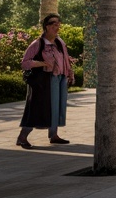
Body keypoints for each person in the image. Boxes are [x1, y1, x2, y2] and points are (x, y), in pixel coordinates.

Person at [17, 13, 74, 149]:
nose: (57, 26)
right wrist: (42, 63)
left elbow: (66, 59)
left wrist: (70, 73)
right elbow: (25, 63)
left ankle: (53, 135)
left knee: (57, 107)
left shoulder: (60, 43)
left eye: (58, 23)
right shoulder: (37, 44)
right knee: (38, 108)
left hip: (60, 78)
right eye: (53, 23)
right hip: (44, 81)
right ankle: (22, 137)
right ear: (46, 27)